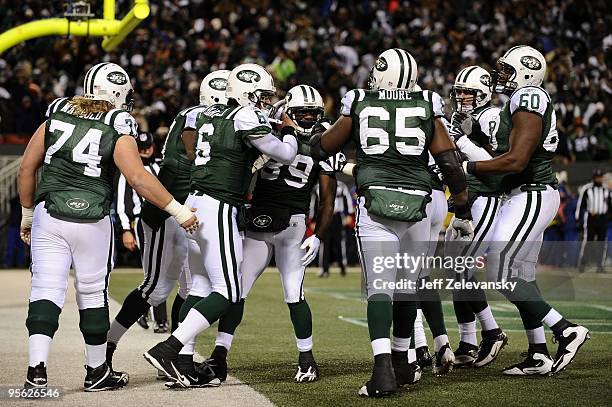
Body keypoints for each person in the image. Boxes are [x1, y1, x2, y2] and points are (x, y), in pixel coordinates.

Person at [18, 62, 198, 391]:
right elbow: (138, 178)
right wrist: (178, 209)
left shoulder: (57, 112)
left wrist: (27, 214)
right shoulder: (117, 122)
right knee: (92, 294)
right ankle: (97, 371)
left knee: (45, 288)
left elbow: (27, 168)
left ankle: (36, 371)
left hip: (49, 212)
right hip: (92, 217)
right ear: (119, 93)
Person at [307, 48, 473, 397]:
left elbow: (324, 147)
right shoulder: (428, 102)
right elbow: (449, 161)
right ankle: (402, 361)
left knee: (380, 287)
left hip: (377, 203)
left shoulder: (359, 100)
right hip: (418, 204)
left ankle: (383, 370)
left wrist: (316, 138)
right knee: (408, 286)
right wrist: (463, 208)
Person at [143, 63, 299, 388]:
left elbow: (234, 154)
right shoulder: (245, 116)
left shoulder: (207, 113)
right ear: (247, 91)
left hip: (195, 203)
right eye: (263, 95)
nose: (266, 102)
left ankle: (183, 362)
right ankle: (169, 348)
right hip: (218, 207)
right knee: (229, 291)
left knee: (199, 287)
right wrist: (288, 131)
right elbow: (285, 154)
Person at [199, 85, 342, 385]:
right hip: (262, 223)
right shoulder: (311, 141)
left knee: (293, 293)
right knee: (237, 290)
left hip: (291, 224)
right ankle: (220, 356)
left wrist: (317, 235)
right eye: (300, 113)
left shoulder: (268, 132)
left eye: (310, 114)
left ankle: (306, 358)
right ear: (289, 112)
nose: (305, 118)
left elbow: (328, 198)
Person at [461, 45, 590, 375]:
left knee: (500, 272)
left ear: (527, 71)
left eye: (507, 70)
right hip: (525, 193)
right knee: (521, 277)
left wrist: (469, 168)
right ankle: (537, 353)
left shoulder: (529, 96)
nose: (501, 76)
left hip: (532, 192)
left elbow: (516, 160)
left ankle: (564, 329)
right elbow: (508, 156)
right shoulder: (519, 101)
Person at [106, 70, 231, 383]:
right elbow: (190, 145)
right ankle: (104, 349)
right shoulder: (199, 116)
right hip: (169, 212)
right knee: (157, 288)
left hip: (190, 210)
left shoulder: (200, 114)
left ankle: (180, 358)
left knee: (193, 287)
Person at [446, 66, 507, 368]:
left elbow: (494, 162)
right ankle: (468, 341)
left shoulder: (492, 116)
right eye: (458, 91)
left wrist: (461, 140)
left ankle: (493, 331)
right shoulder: (463, 118)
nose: (461, 97)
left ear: (483, 92)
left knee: (461, 269)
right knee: (453, 271)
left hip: (485, 197)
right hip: (466, 199)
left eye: (467, 92)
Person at [115, 131, 169, 333]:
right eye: (141, 148)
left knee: (161, 269)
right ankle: (160, 320)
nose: (145, 151)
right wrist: (125, 230)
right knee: (155, 270)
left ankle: (143, 310)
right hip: (142, 221)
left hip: (164, 218)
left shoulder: (158, 167)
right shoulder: (127, 172)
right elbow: (121, 204)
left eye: (148, 147)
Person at [315, 179, 354, 277]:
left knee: (339, 243)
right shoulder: (319, 186)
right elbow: (315, 203)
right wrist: (314, 219)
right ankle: (325, 269)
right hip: (324, 217)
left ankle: (342, 267)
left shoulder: (341, 186)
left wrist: (349, 213)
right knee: (325, 243)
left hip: (337, 217)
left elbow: (348, 199)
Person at [576, 168, 610, 273]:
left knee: (602, 242)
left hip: (603, 218)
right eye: (597, 177)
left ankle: (600, 265)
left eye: (601, 177)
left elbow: (610, 205)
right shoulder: (587, 189)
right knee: (588, 241)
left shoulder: (606, 190)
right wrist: (578, 219)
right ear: (594, 178)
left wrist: (608, 217)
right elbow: (580, 205)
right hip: (591, 217)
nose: (599, 179)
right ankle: (583, 263)